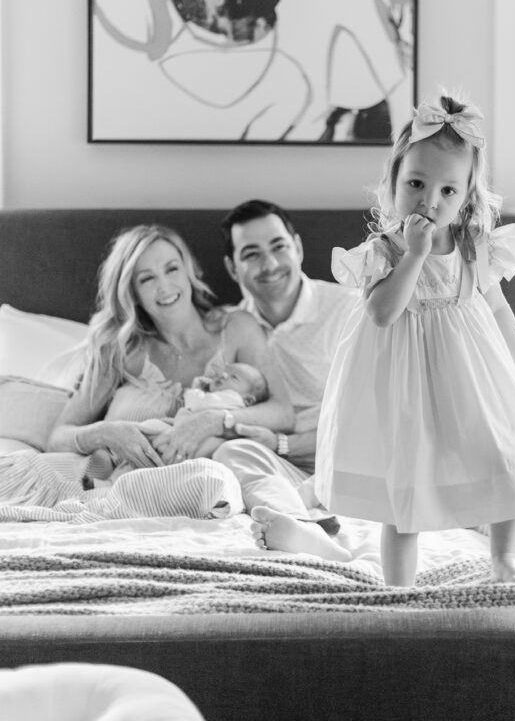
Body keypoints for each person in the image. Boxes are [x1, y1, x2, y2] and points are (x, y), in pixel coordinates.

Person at [308, 93, 515, 585]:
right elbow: (384, 312)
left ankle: (503, 560)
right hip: (405, 381)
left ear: (467, 195)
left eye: (449, 191)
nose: (431, 200)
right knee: (404, 490)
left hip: (470, 373)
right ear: (393, 182)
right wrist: (414, 254)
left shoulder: (474, 245)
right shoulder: (383, 249)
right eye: (416, 183)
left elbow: (496, 308)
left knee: (505, 460)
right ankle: (399, 587)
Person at [47, 224, 294, 474]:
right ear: (132, 292)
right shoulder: (119, 349)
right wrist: (107, 433)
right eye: (147, 278)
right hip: (128, 489)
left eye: (172, 269)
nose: (164, 287)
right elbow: (58, 438)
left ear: (189, 272)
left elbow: (283, 413)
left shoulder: (237, 328)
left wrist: (213, 421)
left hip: (214, 488)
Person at [211, 200, 358, 558]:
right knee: (231, 452)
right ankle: (300, 527)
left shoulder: (348, 310)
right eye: (252, 254)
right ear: (233, 268)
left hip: (344, 459)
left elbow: (372, 422)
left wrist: (282, 443)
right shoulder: (229, 329)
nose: (271, 264)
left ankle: (307, 518)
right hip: (279, 470)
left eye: (279, 247)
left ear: (299, 248)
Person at [140, 363, 269, 461]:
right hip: (184, 430)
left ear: (248, 401)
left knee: (204, 449)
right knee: (154, 425)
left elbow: (196, 403)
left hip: (206, 439)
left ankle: (163, 453)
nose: (223, 376)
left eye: (234, 377)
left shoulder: (234, 399)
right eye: (224, 373)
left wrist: (196, 388)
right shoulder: (219, 397)